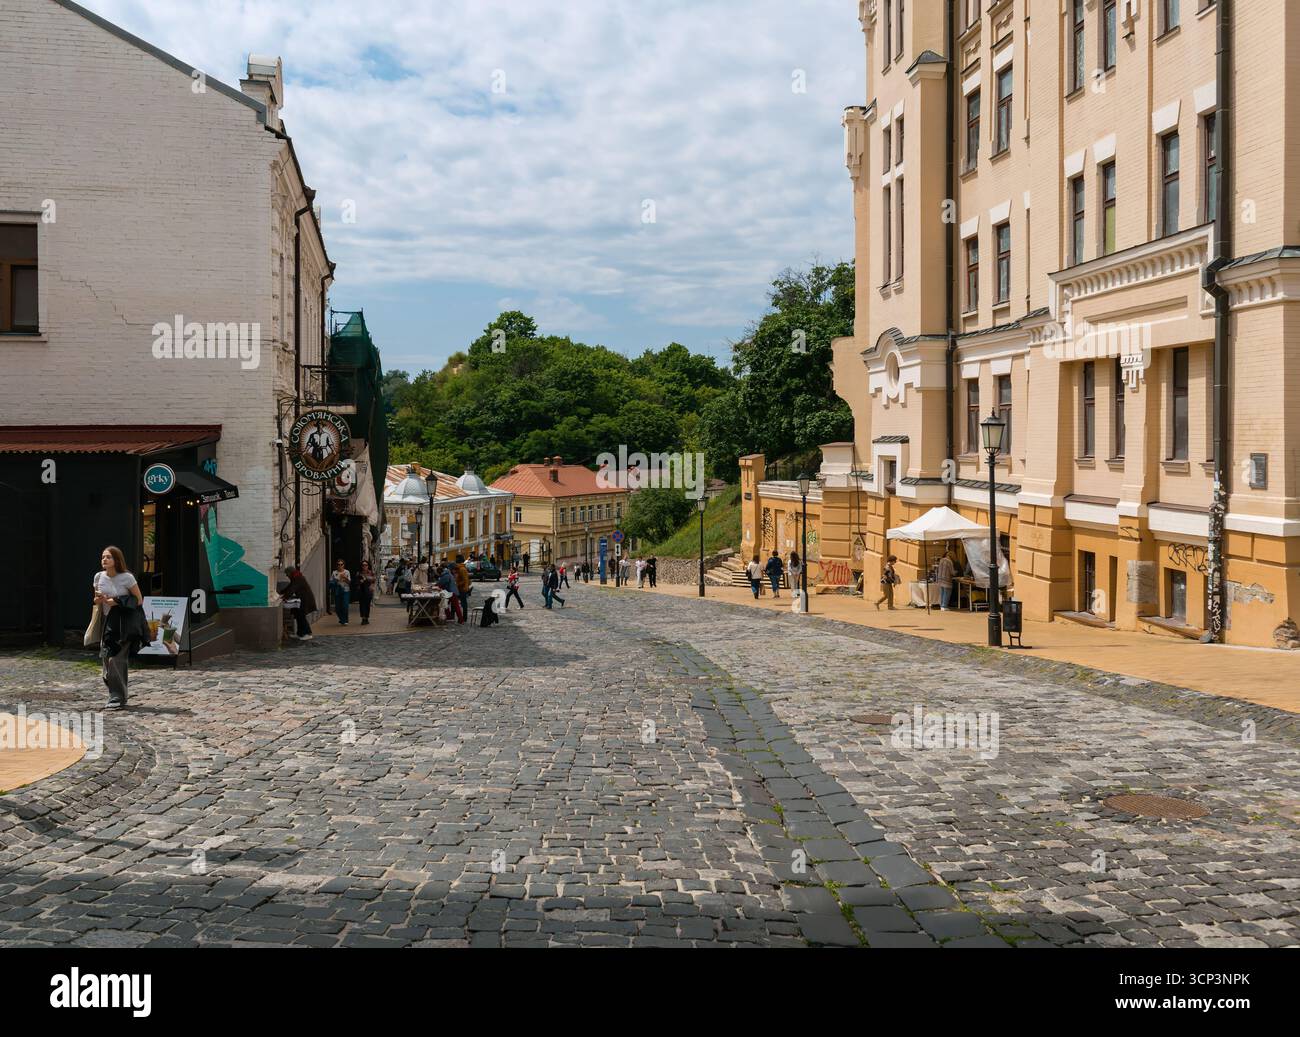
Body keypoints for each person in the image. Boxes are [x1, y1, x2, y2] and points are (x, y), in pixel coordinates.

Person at [93, 546, 145, 709]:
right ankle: (117, 692)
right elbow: (95, 600)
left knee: (116, 659)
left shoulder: (127, 578)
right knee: (107, 662)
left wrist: (116, 601)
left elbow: (139, 600)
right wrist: (100, 600)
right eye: (103, 557)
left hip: (125, 623)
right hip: (107, 622)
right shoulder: (98, 577)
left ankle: (117, 697)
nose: (104, 560)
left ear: (116, 560)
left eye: (108, 557)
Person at [284, 565, 316, 641]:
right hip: (301, 600)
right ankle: (300, 634)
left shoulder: (298, 578)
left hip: (306, 600)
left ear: (290, 573)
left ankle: (308, 633)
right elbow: (289, 587)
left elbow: (292, 589)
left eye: (287, 574)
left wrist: (285, 596)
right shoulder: (295, 577)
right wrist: (282, 592)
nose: (286, 575)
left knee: (301, 616)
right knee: (298, 616)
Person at [331, 558, 352, 624]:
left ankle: (345, 620)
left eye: (341, 564)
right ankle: (342, 619)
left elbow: (349, 582)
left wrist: (345, 578)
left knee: (345, 606)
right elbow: (331, 582)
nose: (340, 566)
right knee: (337, 608)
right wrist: (338, 579)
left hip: (346, 590)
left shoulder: (347, 572)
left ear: (344, 565)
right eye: (338, 564)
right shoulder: (334, 572)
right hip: (337, 591)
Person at [453, 555, 472, 624]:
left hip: (462, 589)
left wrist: (457, 584)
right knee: (461, 603)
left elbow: (464, 580)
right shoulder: (462, 568)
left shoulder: (461, 569)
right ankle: (462, 617)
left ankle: (464, 618)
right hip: (462, 588)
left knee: (463, 604)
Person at [357, 560, 377, 625]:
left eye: (366, 565)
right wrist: (361, 581)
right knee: (362, 605)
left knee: (367, 605)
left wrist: (366, 579)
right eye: (363, 565)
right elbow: (357, 581)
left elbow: (374, 579)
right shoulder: (359, 573)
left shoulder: (371, 572)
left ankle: (366, 617)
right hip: (361, 590)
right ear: (361, 566)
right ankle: (363, 618)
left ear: (368, 566)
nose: (364, 566)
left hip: (368, 590)